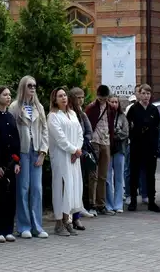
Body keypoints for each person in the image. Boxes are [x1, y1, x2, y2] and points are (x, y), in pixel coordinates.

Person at [8, 75, 48, 238]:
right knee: (23, 188)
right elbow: (11, 132)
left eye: (34, 86)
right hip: (22, 152)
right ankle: (24, 225)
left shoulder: (39, 107)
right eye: (30, 85)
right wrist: (15, 156)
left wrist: (43, 152)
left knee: (37, 189)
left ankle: (37, 226)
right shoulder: (14, 107)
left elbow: (45, 130)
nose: (33, 88)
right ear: (23, 87)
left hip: (36, 151)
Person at [47, 87, 84, 236]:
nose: (63, 98)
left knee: (72, 187)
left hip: (74, 157)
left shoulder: (73, 114)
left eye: (64, 95)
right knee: (61, 187)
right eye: (60, 96)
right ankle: (58, 222)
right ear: (55, 99)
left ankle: (67, 219)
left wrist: (78, 149)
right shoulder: (53, 116)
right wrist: (73, 150)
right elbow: (60, 138)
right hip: (62, 157)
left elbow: (80, 133)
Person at [0, 85, 20, 243]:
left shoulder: (10, 116)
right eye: (5, 95)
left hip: (11, 162)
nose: (8, 97)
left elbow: (16, 140)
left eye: (9, 95)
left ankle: (8, 229)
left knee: (10, 196)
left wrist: (17, 162)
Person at [126, 84, 160, 212]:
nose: (146, 96)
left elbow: (157, 127)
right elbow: (127, 126)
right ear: (139, 94)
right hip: (137, 145)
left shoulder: (153, 109)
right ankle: (133, 201)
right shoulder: (133, 109)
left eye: (148, 94)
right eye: (144, 93)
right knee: (134, 173)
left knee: (150, 175)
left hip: (150, 146)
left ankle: (152, 201)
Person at [84, 85, 115, 215]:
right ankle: (92, 204)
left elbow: (111, 126)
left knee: (103, 175)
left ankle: (101, 204)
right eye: (101, 98)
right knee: (93, 175)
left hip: (106, 141)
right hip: (94, 141)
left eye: (104, 98)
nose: (102, 100)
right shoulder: (91, 108)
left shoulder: (111, 108)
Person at [67, 87, 94, 224]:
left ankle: (80, 207)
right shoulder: (68, 113)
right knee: (70, 183)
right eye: (78, 97)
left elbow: (88, 131)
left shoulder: (82, 114)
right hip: (70, 151)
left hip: (81, 151)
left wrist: (83, 143)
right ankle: (71, 212)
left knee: (81, 181)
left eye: (82, 97)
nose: (81, 100)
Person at [105, 94, 129, 215]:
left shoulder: (122, 117)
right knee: (108, 178)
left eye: (116, 102)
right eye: (112, 102)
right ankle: (109, 204)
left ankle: (118, 204)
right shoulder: (105, 116)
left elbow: (126, 133)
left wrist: (115, 134)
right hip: (108, 149)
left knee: (119, 178)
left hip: (119, 149)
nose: (114, 104)